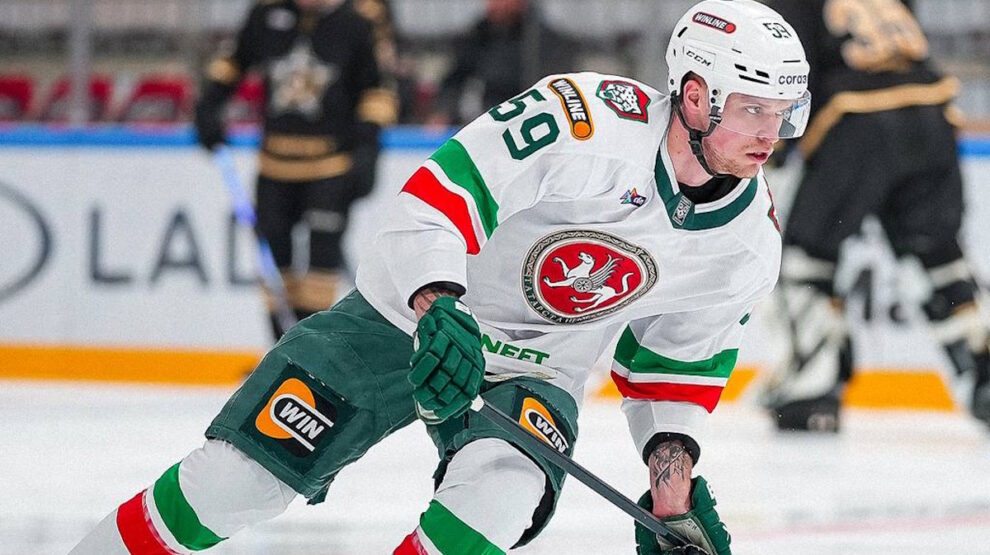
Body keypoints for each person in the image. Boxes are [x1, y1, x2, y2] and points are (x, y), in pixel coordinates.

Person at [70, 1, 809, 553]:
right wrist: (438, 303)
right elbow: (436, 199)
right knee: (233, 485)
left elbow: (675, 369)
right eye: (753, 109)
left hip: (538, 368)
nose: (770, 134)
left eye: (783, 113)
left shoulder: (746, 242)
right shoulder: (584, 121)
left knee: (497, 499)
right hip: (403, 323)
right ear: (693, 95)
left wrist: (671, 489)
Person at [759, 0, 990, 432]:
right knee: (940, 258)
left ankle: (812, 391)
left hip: (856, 121)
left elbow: (783, 69)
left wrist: (771, 153)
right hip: (933, 109)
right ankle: (983, 373)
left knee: (806, 262)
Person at [194, 0, 399, 340]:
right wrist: (209, 104)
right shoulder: (266, 13)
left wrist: (368, 147)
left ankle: (310, 349)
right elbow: (233, 61)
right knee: (273, 262)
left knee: (321, 260)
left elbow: (377, 90)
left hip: (331, 166)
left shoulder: (357, 21)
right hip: (274, 164)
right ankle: (282, 347)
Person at [426, 0, 578, 126]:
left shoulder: (546, 42)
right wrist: (443, 112)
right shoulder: (478, 35)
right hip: (485, 119)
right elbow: (455, 80)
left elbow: (555, 90)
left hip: (530, 120)